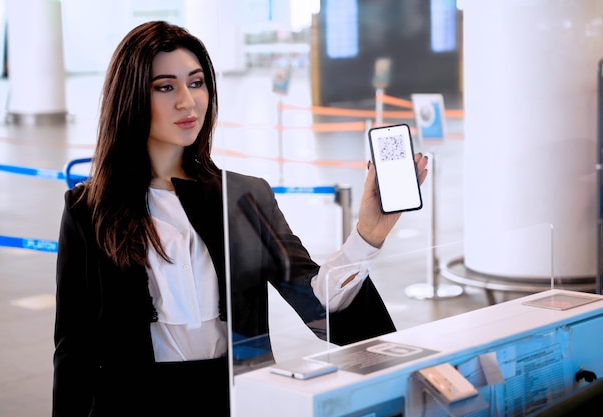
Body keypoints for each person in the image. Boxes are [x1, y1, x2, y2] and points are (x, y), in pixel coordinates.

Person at [52, 20, 429, 417]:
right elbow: (73, 350)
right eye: (165, 87)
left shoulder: (243, 196)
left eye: (196, 83)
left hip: (233, 398)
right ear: (129, 97)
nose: (188, 101)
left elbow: (316, 304)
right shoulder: (88, 209)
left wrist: (367, 234)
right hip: (133, 401)